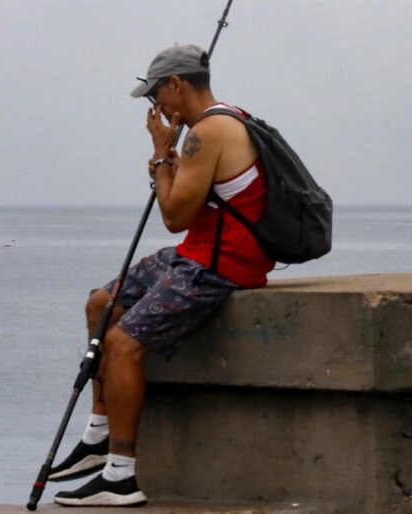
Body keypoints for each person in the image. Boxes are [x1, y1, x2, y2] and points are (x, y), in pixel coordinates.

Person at [50, 43, 276, 507]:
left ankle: (121, 476)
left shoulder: (208, 132)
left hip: (219, 265)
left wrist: (159, 155)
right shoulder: (222, 119)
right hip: (194, 253)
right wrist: (168, 160)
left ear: (177, 83)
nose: (157, 106)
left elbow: (174, 213)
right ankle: (97, 437)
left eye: (158, 94)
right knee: (100, 304)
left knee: (121, 344)